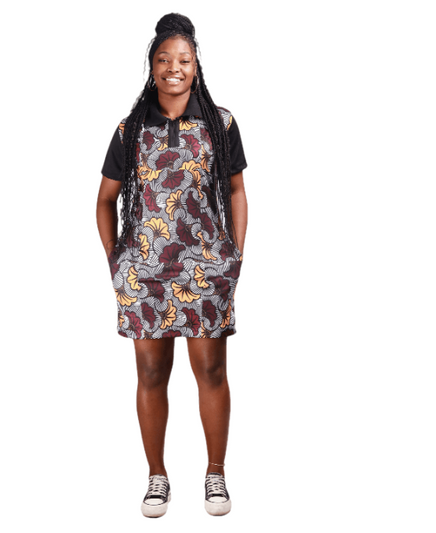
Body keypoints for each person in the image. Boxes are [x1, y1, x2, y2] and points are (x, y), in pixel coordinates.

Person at [96, 13, 248, 518]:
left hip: (206, 270)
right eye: (164, 59)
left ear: (196, 66)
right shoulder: (130, 129)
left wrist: (235, 254)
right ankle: (156, 476)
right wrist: (117, 260)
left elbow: (236, 191)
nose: (174, 68)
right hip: (144, 274)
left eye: (183, 59)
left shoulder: (221, 124)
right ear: (152, 66)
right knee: (151, 371)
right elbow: (105, 200)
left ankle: (215, 474)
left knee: (211, 369)